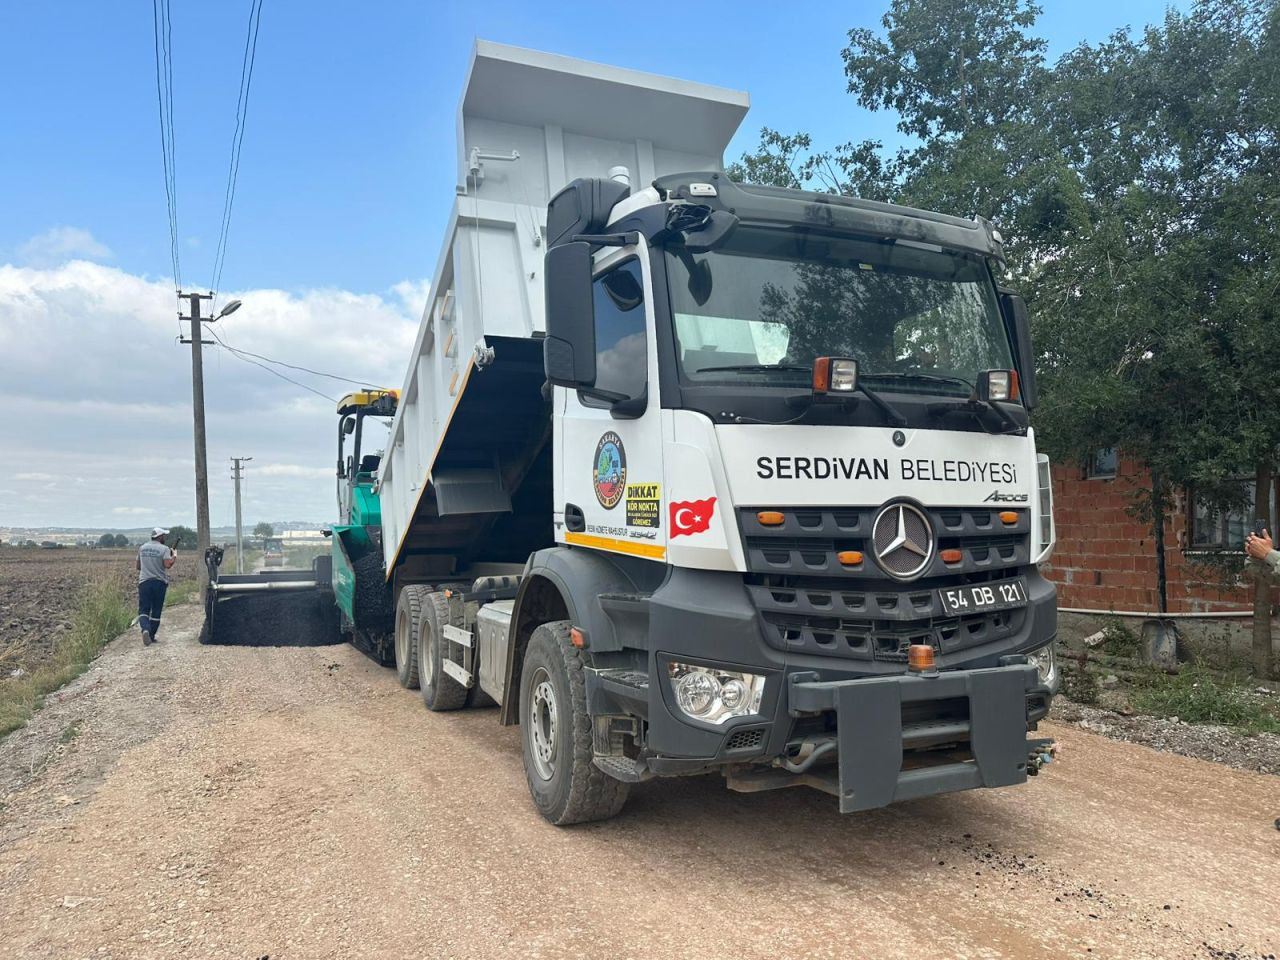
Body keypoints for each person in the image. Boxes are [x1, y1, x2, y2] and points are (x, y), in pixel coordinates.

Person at [137, 527, 177, 646]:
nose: (165, 538)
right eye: (164, 536)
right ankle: (151, 635)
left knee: (143, 610)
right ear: (159, 537)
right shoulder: (164, 549)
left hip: (144, 583)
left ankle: (145, 629)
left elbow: (138, 566)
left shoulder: (142, 548)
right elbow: (168, 565)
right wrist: (174, 556)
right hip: (159, 583)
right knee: (156, 610)